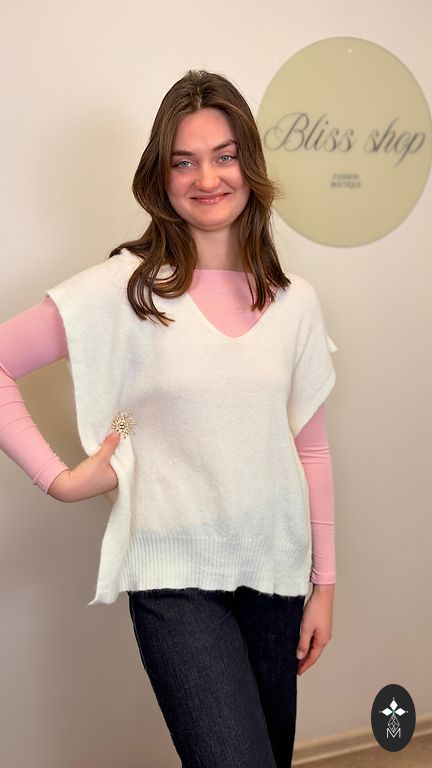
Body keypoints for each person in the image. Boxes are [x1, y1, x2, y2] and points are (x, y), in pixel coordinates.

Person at [0, 70, 337, 767]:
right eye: (184, 161)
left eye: (224, 155)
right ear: (162, 176)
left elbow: (310, 452)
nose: (207, 178)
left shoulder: (295, 301)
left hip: (276, 575)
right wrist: (59, 480)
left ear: (249, 165)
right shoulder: (124, 290)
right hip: (175, 583)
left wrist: (325, 585)